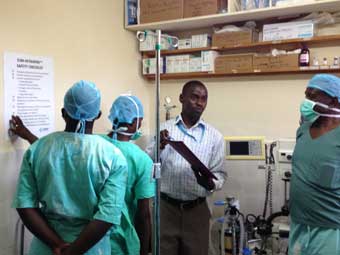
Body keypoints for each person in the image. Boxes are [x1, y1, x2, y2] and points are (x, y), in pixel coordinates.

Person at [10, 94, 154, 255]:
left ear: (64, 113)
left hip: (47, 246)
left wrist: (57, 245)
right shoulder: (114, 155)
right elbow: (117, 215)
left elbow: (54, 153)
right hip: (94, 244)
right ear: (98, 115)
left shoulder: (38, 150)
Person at [146, 80, 227, 255]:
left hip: (197, 210)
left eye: (204, 99)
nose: (199, 103)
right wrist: (159, 146)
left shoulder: (215, 137)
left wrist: (211, 183)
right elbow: (148, 166)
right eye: (194, 97)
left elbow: (220, 174)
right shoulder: (164, 130)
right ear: (182, 98)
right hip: (166, 209)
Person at [289, 74, 340, 255]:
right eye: (306, 95)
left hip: (330, 230)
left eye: (313, 96)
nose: (306, 101)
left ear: (333, 101)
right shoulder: (303, 130)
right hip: (298, 225)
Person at [101, 95, 155, 255]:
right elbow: (143, 214)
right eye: (140, 121)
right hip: (120, 242)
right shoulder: (142, 160)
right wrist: (145, 251)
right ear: (134, 122)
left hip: (90, 239)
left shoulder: (94, 145)